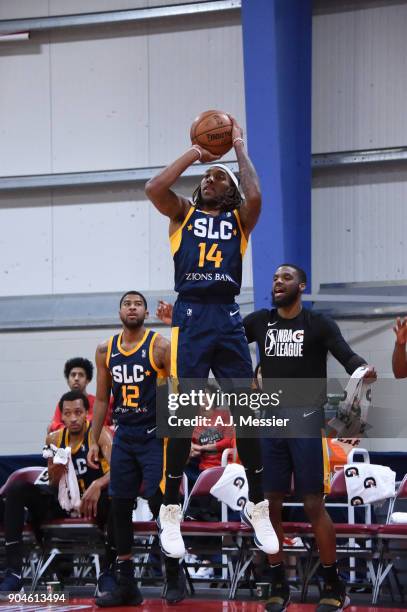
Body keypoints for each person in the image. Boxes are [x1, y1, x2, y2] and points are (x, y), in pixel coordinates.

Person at [145, 117, 278, 561]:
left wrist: (238, 147)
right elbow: (153, 188)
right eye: (206, 177)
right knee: (182, 413)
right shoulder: (183, 213)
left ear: (230, 190)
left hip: (227, 314)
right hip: (191, 314)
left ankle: (258, 506)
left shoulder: (240, 220)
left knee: (249, 409)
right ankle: (168, 511)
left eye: (217, 177)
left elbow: (256, 195)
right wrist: (195, 155)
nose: (209, 179)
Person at [243, 264, 377, 612]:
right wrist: (183, 329)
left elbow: (347, 355)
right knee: (268, 504)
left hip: (305, 422)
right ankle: (276, 581)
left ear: (301, 286)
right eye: (274, 278)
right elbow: (223, 341)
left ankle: (333, 583)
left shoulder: (318, 324)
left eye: (285, 278)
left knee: (313, 504)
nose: (277, 283)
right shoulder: (259, 321)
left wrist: (364, 371)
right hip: (270, 421)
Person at [88, 291, 184, 607]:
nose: (132, 307)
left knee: (159, 500)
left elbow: (177, 388)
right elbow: (102, 400)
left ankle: (173, 569)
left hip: (155, 435)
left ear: (146, 312)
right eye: (127, 303)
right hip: (125, 436)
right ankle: (127, 582)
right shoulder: (105, 350)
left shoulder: (159, 346)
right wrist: (93, 439)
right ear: (119, 312)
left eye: (138, 303)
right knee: (119, 506)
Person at [0, 390, 115, 598]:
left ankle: (108, 573)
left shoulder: (101, 434)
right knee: (17, 490)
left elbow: (119, 472)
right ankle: (14, 573)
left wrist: (98, 484)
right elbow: (53, 482)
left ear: (87, 413)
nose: (73, 418)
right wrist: (57, 470)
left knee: (118, 499)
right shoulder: (53, 439)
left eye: (78, 412)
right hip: (62, 503)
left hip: (94, 503)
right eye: (68, 413)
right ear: (61, 416)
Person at [48, 357, 112, 432]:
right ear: (68, 380)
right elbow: (54, 425)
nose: (76, 378)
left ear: (87, 380)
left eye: (81, 375)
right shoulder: (63, 403)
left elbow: (101, 426)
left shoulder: (98, 402)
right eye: (73, 375)